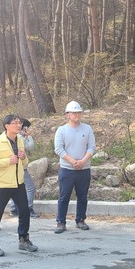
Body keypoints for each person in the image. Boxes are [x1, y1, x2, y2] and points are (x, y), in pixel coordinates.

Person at [0, 114, 38, 257]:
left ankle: (23, 240)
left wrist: (24, 157)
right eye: (15, 123)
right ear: (6, 126)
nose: (19, 125)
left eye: (19, 123)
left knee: (25, 212)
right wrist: (7, 161)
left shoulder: (19, 140)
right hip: (2, 185)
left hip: (18, 183)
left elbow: (24, 163)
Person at [53, 100, 96, 234]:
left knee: (82, 197)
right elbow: (59, 149)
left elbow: (91, 147)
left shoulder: (87, 128)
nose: (77, 115)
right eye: (74, 113)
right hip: (67, 169)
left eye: (78, 112)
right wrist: (72, 161)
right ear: (67, 115)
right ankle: (61, 222)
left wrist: (83, 160)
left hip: (84, 169)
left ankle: (80, 220)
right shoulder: (62, 130)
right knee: (64, 196)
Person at [9, 118, 38, 218]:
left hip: (16, 167)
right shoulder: (19, 137)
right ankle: (29, 208)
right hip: (20, 167)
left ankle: (13, 208)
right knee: (30, 188)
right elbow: (30, 146)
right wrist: (28, 136)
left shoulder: (14, 137)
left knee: (15, 187)